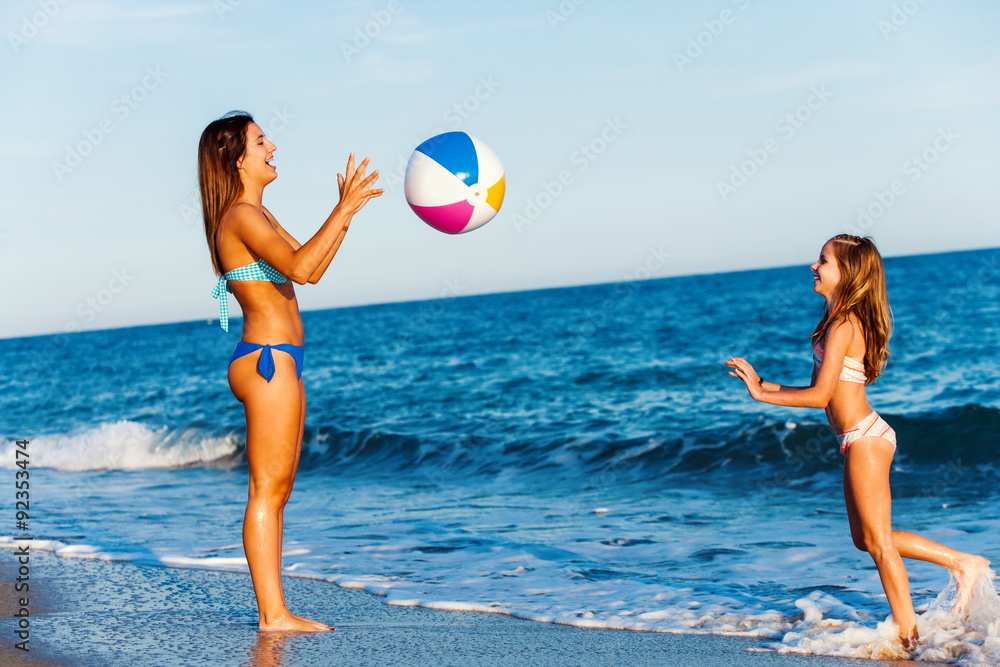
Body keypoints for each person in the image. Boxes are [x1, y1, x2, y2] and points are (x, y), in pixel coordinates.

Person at [726, 234, 989, 648]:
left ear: (846, 273)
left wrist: (762, 395)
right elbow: (816, 388)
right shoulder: (833, 322)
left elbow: (819, 398)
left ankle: (909, 637)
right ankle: (963, 563)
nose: (814, 266)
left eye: (823, 261)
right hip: (856, 438)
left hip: (866, 437)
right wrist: (764, 384)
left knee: (879, 542)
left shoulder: (846, 324)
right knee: (866, 539)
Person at [198, 111, 382, 631]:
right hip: (267, 361)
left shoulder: (259, 214)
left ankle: (274, 612)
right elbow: (302, 268)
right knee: (267, 490)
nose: (271, 146)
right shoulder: (240, 217)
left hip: (280, 361)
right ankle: (273, 616)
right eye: (260, 141)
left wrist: (347, 212)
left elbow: (311, 265)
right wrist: (342, 206)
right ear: (236, 159)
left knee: (277, 490)